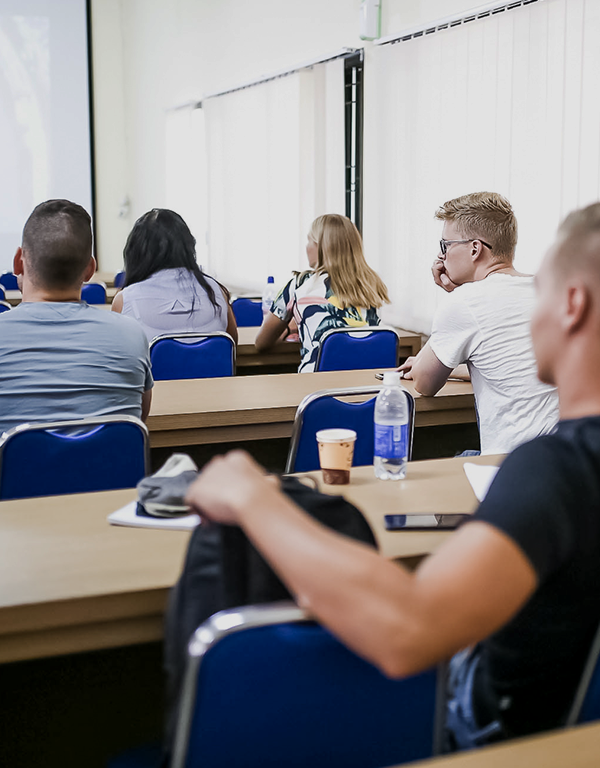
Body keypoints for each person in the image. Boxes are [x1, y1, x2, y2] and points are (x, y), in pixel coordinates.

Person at [184, 202, 600, 750]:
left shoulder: (554, 470)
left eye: (540, 289)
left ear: (572, 305)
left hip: (497, 738)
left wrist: (252, 497)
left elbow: (408, 632)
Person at [399, 192, 558, 454]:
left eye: (445, 246)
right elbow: (505, 364)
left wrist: (457, 297)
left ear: (475, 249)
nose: (441, 258)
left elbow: (424, 385)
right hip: (567, 461)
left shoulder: (466, 302)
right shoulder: (549, 289)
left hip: (510, 465)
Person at [0, 199, 153, 434]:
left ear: (18, 262)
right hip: (109, 471)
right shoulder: (132, 334)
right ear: (90, 269)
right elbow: (139, 418)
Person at [255, 214, 390, 372]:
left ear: (321, 247)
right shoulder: (370, 284)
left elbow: (261, 343)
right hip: (370, 389)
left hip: (318, 390)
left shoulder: (300, 284)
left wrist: (290, 329)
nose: (306, 247)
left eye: (309, 240)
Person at [112, 208, 237, 344]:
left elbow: (118, 355)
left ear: (135, 252)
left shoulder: (125, 300)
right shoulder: (215, 292)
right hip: (210, 366)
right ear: (188, 247)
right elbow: (232, 346)